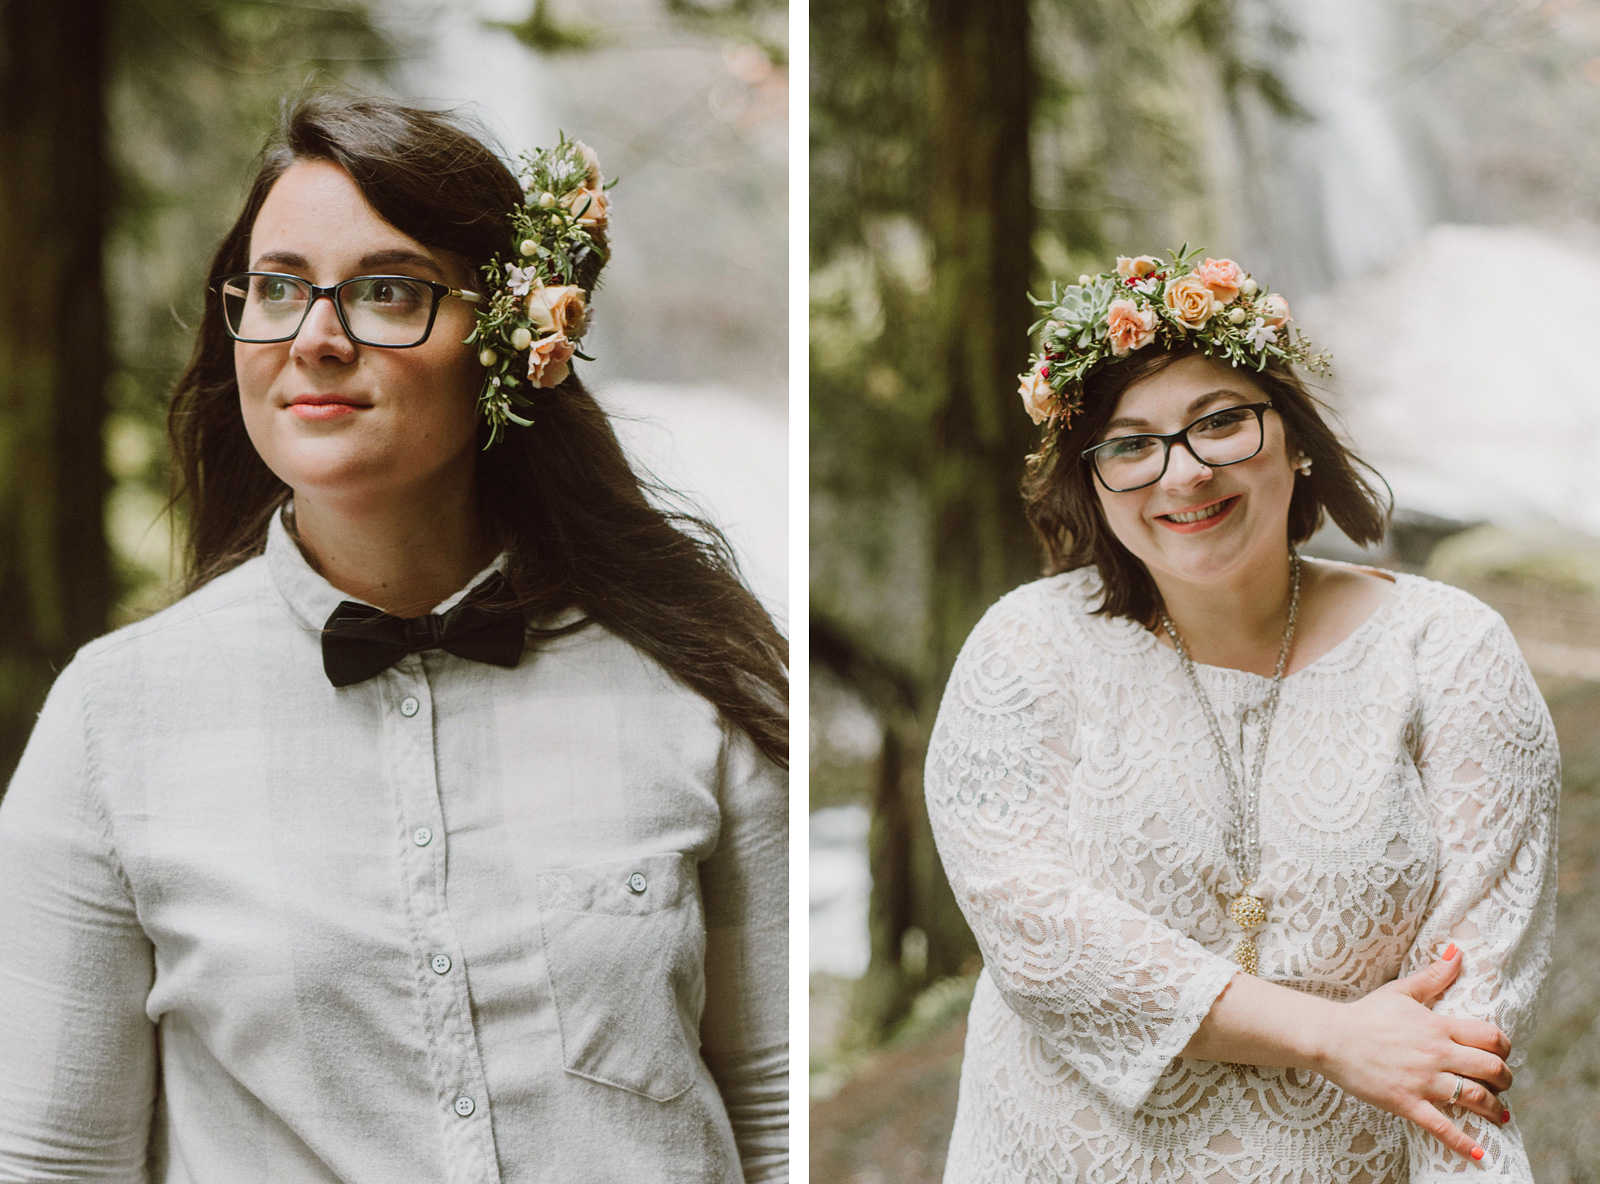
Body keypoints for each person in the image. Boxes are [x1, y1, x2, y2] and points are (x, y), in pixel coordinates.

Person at [0, 92, 787, 1184]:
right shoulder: (112, 720)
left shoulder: (695, 688)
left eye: (386, 291)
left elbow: (778, 1112)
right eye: (275, 288)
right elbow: (52, 1163)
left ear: (513, 339)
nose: (316, 338)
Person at [925, 251, 1557, 1183]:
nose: (1181, 474)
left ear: (1293, 436)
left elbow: (1464, 1028)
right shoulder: (1027, 647)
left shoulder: (1451, 653)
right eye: (1130, 444)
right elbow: (1037, 933)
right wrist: (1330, 1036)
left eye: (1220, 422)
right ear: (1091, 479)